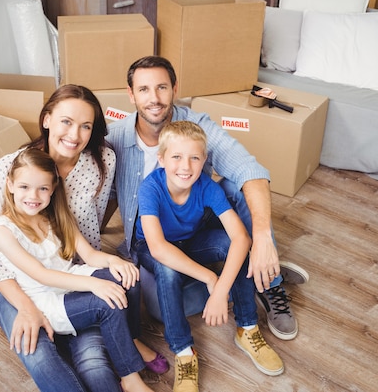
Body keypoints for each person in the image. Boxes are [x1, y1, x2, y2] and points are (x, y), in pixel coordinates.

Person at [104, 56, 309, 382]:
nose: (154, 97)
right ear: (130, 95)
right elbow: (101, 196)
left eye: (161, 87)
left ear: (175, 89)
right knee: (165, 304)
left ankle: (263, 282)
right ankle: (244, 278)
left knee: (236, 200)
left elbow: (249, 170)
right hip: (153, 244)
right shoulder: (116, 139)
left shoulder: (197, 129)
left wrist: (262, 241)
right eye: (144, 89)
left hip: (195, 232)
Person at [0, 84, 165, 392]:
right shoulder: (9, 170)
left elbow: (92, 231)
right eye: (66, 121)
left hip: (71, 271)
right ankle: (112, 344)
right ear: (47, 119)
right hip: (20, 284)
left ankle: (125, 343)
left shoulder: (100, 161)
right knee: (39, 356)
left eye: (86, 126)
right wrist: (25, 306)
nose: (75, 135)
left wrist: (105, 265)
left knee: (96, 368)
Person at [136, 121, 285, 390]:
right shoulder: (151, 188)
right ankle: (183, 351)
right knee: (167, 269)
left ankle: (247, 328)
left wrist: (220, 292)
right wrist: (210, 278)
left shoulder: (207, 186)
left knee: (232, 245)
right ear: (161, 159)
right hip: (153, 245)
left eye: (195, 158)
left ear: (205, 160)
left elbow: (241, 238)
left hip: (190, 241)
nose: (186, 166)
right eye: (176, 157)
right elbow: (158, 248)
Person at [0, 148, 152, 392]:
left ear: (53, 188)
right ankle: (131, 378)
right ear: (10, 184)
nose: (33, 195)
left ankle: (130, 338)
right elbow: (41, 275)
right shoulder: (2, 230)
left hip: (72, 280)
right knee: (107, 304)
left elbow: (89, 255)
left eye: (42, 188)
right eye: (24, 187)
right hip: (45, 299)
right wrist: (95, 285)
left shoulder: (54, 217)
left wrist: (114, 262)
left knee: (128, 278)